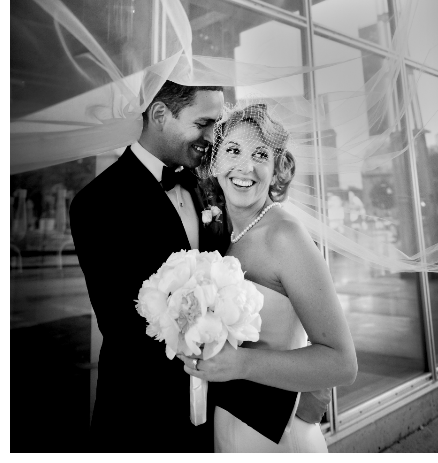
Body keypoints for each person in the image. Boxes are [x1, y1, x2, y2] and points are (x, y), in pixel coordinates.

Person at [70, 81, 330, 452]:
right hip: (144, 421)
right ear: (161, 115)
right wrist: (283, 393)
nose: (214, 136)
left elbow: (283, 290)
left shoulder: (212, 183)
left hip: (224, 422)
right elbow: (128, 332)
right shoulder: (97, 204)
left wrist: (312, 378)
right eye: (204, 123)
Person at [180, 102, 358, 452]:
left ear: (277, 168)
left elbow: (342, 363)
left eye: (260, 155)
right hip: (230, 426)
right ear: (215, 162)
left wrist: (240, 363)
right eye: (233, 150)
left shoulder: (285, 235)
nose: (245, 167)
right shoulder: (228, 235)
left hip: (277, 436)